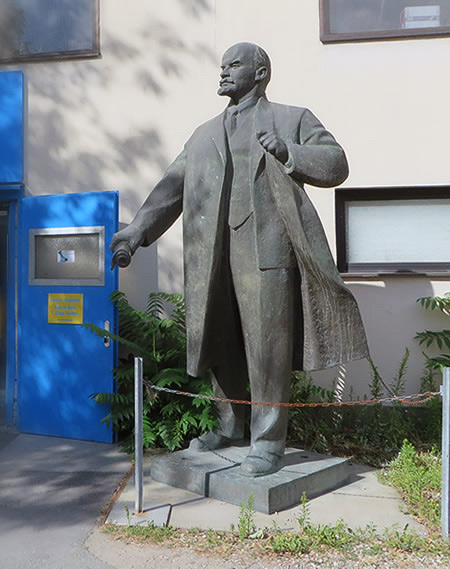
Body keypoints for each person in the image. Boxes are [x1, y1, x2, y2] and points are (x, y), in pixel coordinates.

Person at [110, 42, 368, 476]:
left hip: (267, 254)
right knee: (220, 343)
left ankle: (268, 441)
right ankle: (231, 426)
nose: (224, 72)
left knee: (267, 351)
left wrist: (289, 152)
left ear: (260, 71)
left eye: (234, 65)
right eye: (222, 66)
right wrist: (136, 231)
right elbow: (171, 187)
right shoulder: (204, 134)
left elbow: (336, 163)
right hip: (213, 254)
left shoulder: (292, 118)